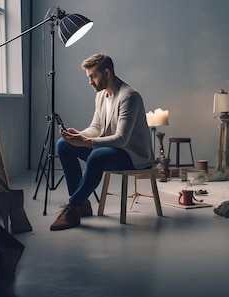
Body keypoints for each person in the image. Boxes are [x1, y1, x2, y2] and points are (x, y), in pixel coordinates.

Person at [50, 53, 154, 231]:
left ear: (107, 73)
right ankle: (82, 205)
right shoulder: (101, 95)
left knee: (97, 156)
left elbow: (121, 139)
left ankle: (73, 206)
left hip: (133, 155)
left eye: (93, 76)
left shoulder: (129, 96)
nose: (90, 81)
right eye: (89, 77)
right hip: (112, 149)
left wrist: (86, 142)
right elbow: (96, 127)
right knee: (63, 145)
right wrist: (78, 136)